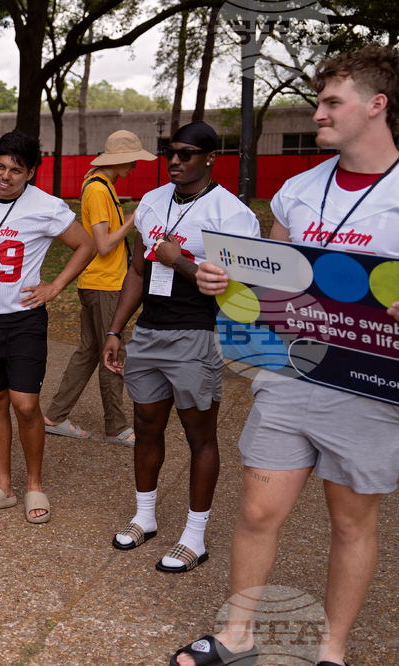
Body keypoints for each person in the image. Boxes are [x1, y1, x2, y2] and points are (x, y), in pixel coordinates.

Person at [173, 46, 399, 666]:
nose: (319, 113)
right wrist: (223, 282)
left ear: (375, 105)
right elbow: (268, 279)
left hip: (373, 384)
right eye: (320, 101)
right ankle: (237, 636)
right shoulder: (299, 189)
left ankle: (331, 650)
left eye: (332, 102)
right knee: (256, 509)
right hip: (293, 369)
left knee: (351, 523)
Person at [102, 121, 260, 573]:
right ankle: (145, 518)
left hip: (195, 335)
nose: (175, 160)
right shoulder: (152, 202)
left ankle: (195, 537)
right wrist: (116, 330)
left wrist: (180, 261)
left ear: (211, 158)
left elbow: (236, 290)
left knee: (199, 436)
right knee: (147, 425)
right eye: (171, 152)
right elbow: (136, 270)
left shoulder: (232, 215)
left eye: (187, 154)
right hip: (149, 331)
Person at [0, 130, 97, 524]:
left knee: (26, 405)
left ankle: (34, 485)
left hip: (24, 319)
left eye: (16, 170)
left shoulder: (47, 207)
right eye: (1, 166)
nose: (5, 176)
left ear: (30, 174)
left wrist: (55, 286)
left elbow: (87, 244)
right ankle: (3, 486)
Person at [43, 130, 156, 445]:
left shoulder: (102, 186)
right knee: (111, 351)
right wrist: (134, 218)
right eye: (131, 159)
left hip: (100, 283)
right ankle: (116, 427)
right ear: (119, 159)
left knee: (90, 352)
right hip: (104, 284)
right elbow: (104, 245)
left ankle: (54, 416)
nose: (134, 165)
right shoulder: (98, 189)